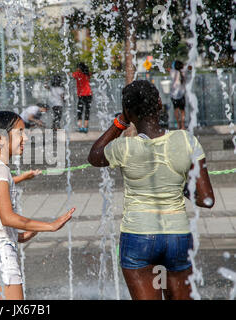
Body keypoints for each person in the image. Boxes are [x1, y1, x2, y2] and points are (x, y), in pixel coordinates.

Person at [88, 80, 215, 300]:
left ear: (128, 112)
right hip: (177, 235)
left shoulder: (124, 147)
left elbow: (95, 156)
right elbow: (207, 200)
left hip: (138, 236)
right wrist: (178, 185)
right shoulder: (186, 140)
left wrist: (119, 123)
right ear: (159, 103)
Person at [0, 111, 75, 300]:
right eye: (20, 132)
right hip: (1, 255)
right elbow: (7, 217)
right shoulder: (0, 170)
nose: (25, 138)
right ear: (0, 138)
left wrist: (18, 236)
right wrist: (49, 226)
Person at [72, 63, 93, 133]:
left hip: (81, 95)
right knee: (87, 111)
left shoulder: (77, 74)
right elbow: (91, 74)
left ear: (79, 68)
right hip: (89, 94)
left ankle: (81, 127)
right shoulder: (87, 74)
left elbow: (71, 75)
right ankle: (85, 127)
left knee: (80, 111)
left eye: (77, 67)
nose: (77, 69)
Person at [170, 60, 188, 130]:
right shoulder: (184, 72)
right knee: (182, 110)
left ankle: (178, 125)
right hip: (181, 94)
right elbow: (188, 67)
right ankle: (183, 126)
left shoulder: (172, 72)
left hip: (173, 94)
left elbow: (170, 69)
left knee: (176, 109)